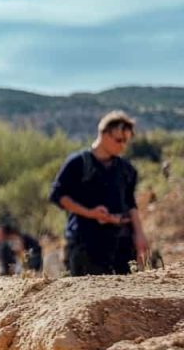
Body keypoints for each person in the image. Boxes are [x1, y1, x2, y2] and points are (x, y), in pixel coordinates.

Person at [49, 110, 148, 276]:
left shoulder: (127, 169)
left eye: (126, 141)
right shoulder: (78, 163)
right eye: (119, 140)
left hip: (121, 244)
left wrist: (139, 235)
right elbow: (58, 195)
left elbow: (131, 203)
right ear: (103, 134)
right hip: (86, 243)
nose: (123, 145)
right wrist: (91, 213)